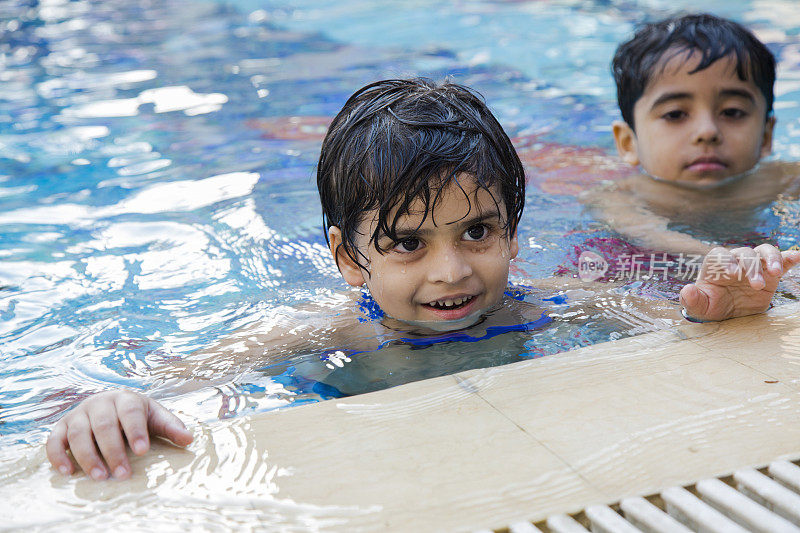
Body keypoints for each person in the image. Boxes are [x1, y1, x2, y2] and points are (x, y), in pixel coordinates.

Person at [45, 78, 800, 481]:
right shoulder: (322, 328)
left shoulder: (556, 301)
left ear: (512, 229)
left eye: (478, 232)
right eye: (406, 243)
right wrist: (106, 403)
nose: (452, 271)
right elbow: (170, 380)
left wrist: (719, 303)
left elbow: (676, 322)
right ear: (348, 258)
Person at [583, 13, 800, 254]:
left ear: (766, 135)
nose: (707, 131)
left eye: (732, 112)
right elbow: (648, 234)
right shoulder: (621, 198)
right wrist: (726, 260)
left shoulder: (783, 180)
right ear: (627, 143)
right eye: (675, 114)